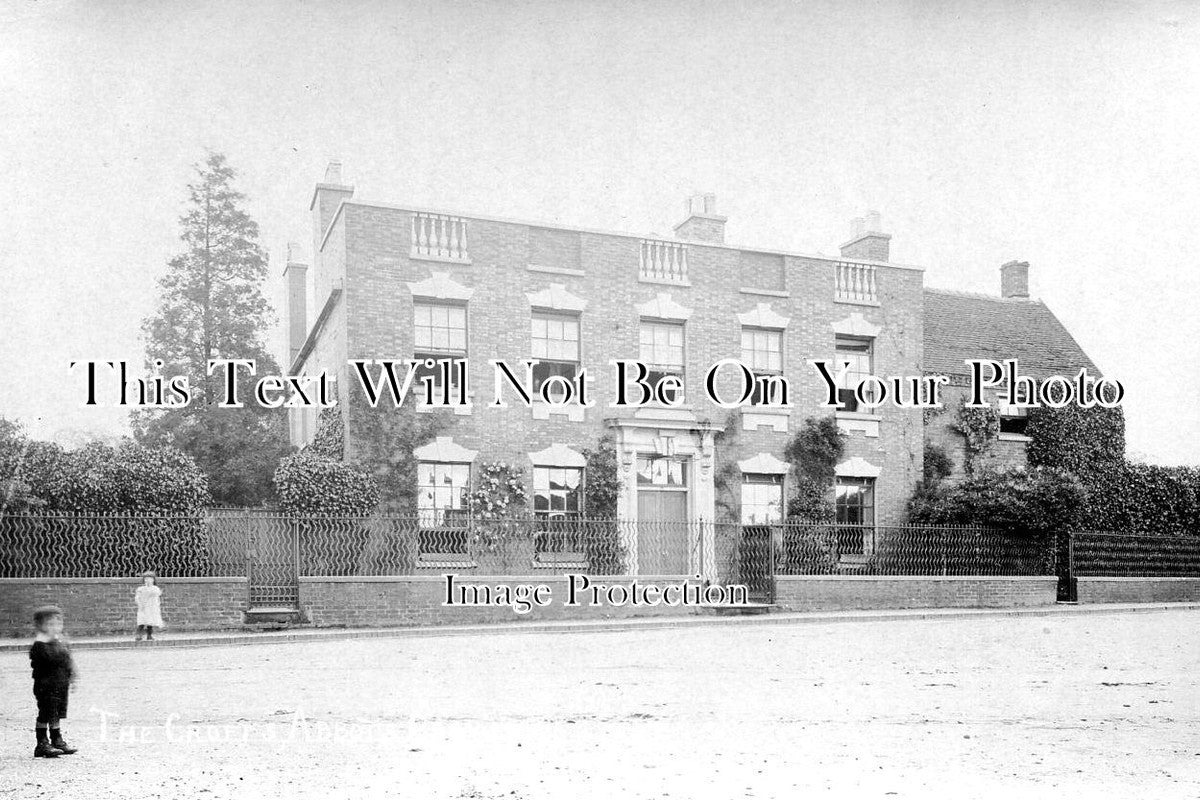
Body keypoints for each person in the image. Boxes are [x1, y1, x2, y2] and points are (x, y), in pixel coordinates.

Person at [29, 605, 78, 758]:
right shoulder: (39, 645)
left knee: (56, 713)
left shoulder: (60, 642)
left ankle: (57, 739)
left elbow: (68, 661)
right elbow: (47, 662)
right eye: (50, 624)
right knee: (45, 713)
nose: (55, 627)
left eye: (58, 623)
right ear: (41, 626)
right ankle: (42, 743)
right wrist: (58, 646)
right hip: (46, 685)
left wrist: (73, 676)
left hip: (60, 684)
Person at [134, 571, 164, 641]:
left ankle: (149, 635)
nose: (147, 580)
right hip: (143, 607)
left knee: (150, 622)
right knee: (142, 621)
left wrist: (157, 607)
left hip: (152, 607)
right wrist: (139, 604)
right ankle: (138, 635)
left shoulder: (155, 589)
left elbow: (157, 597)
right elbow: (137, 597)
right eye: (145, 578)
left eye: (149, 578)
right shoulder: (141, 589)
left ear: (153, 579)